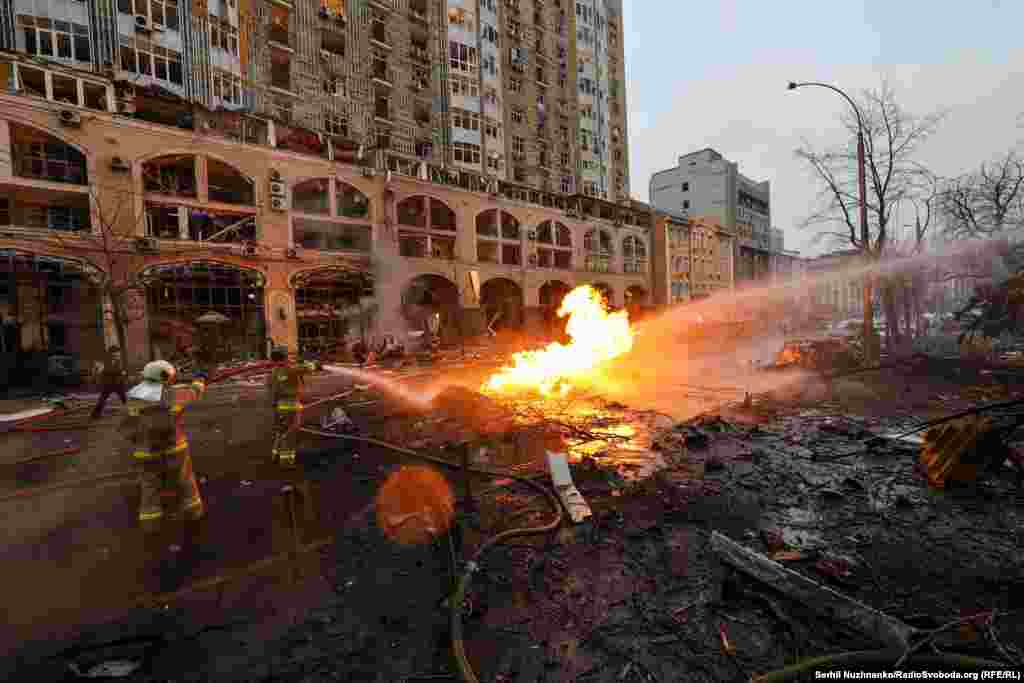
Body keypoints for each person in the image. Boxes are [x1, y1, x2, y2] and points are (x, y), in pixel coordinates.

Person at [119, 360, 208, 532]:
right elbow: (193, 392)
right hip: (174, 448)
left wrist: (140, 441)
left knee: (149, 485)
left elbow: (125, 428)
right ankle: (193, 513)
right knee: (185, 482)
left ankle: (150, 523)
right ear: (165, 376)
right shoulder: (171, 395)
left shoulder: (133, 397)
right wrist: (200, 380)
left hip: (145, 453)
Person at [267, 345, 316, 468]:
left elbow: (272, 391)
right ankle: (286, 462)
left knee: (280, 431)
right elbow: (308, 368)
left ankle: (275, 455)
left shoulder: (272, 373)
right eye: (288, 355)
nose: (290, 358)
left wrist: (274, 406)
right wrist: (316, 364)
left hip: (278, 406)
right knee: (289, 434)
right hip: (290, 406)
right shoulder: (290, 369)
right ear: (284, 357)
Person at [90, 345, 128, 420]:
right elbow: (106, 370)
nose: (117, 354)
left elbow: (119, 370)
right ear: (111, 353)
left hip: (117, 383)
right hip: (109, 384)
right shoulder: (106, 361)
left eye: (118, 353)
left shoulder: (117, 360)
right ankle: (95, 414)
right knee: (102, 399)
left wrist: (123, 373)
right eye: (116, 353)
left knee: (124, 398)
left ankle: (133, 411)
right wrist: (120, 372)